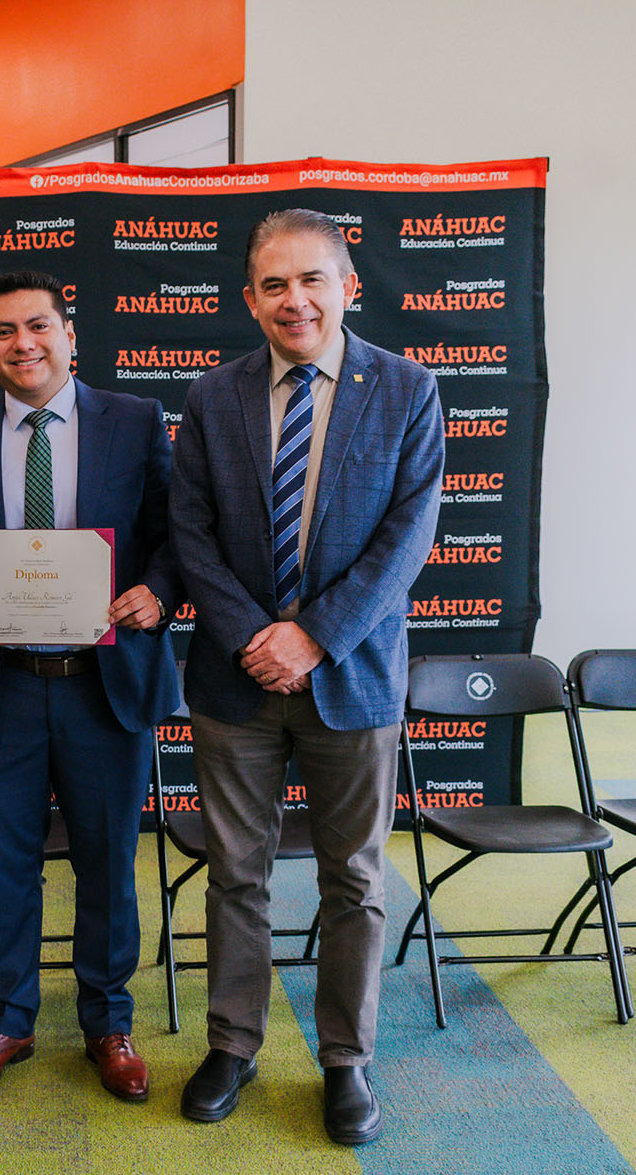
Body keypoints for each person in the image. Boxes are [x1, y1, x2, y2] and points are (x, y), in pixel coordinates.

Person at [169, 209, 444, 1144]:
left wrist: (314, 637)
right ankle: (233, 1045)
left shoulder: (407, 391)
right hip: (235, 679)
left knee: (353, 883)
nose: (296, 300)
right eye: (275, 285)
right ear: (250, 300)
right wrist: (258, 636)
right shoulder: (213, 397)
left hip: (354, 677)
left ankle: (345, 1062)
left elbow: (406, 540)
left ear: (348, 287)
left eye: (313, 279)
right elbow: (190, 535)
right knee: (235, 876)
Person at [0, 270, 179, 1102]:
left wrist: (159, 592)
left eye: (38, 326)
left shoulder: (136, 423)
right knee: (7, 864)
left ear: (72, 336)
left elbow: (177, 535)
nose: (22, 344)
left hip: (103, 687)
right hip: (2, 687)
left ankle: (109, 1021)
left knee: (108, 863)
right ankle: (9, 1018)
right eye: (3, 331)